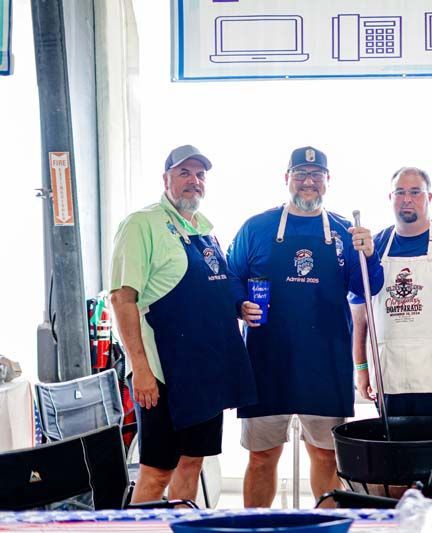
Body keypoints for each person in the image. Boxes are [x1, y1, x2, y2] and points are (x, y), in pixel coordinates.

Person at [227, 146, 382, 508]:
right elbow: (232, 276)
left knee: (326, 457)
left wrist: (369, 254)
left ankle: (325, 528)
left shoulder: (346, 231)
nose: (308, 182)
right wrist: (239, 304)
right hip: (267, 363)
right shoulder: (257, 227)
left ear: (328, 181)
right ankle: (256, 530)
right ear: (287, 179)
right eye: (300, 174)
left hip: (324, 365)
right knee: (262, 457)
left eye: (316, 175)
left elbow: (366, 289)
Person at [110, 145, 257, 504]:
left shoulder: (205, 230)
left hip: (206, 371)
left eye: (200, 175)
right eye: (184, 173)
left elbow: (208, 293)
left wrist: (238, 307)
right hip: (163, 374)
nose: (194, 181)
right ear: (166, 179)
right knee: (157, 470)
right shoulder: (142, 224)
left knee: (193, 463)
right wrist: (140, 370)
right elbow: (122, 299)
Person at [349, 167, 432, 419]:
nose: (407, 199)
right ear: (390, 198)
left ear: (428, 197)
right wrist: (362, 369)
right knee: (394, 457)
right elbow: (360, 317)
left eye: (415, 192)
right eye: (400, 192)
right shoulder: (373, 247)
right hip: (390, 380)